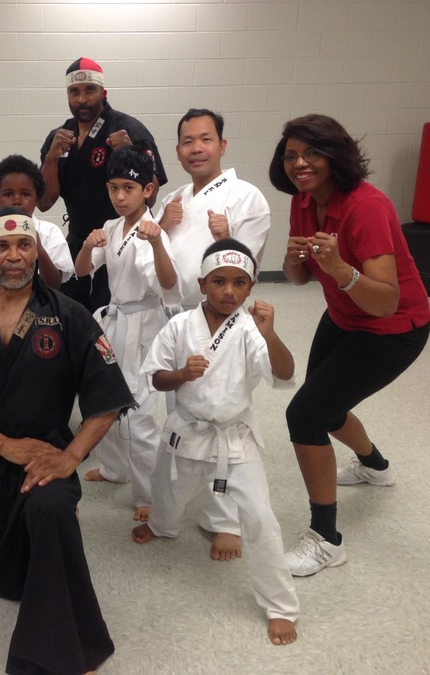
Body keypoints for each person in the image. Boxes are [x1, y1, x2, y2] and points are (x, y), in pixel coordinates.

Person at [0, 207, 135, 675]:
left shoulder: (68, 315)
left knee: (51, 508)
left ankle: (55, 656)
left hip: (47, 456)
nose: (14, 257)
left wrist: (70, 458)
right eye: (2, 246)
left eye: (24, 245)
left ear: (38, 252)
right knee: (1, 574)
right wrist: (5, 446)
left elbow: (109, 398)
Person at [268, 114, 430, 576]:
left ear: (335, 155)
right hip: (343, 317)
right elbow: (298, 278)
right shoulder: (304, 202)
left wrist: (341, 270)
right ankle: (375, 466)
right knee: (327, 409)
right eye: (291, 155)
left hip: (393, 330)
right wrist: (292, 258)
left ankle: (327, 539)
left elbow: (386, 301)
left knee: (305, 414)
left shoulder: (367, 208)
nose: (300, 163)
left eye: (311, 153)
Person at [133, 239, 299, 646]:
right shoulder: (179, 326)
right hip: (186, 429)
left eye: (240, 283)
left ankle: (280, 606)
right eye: (220, 281)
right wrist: (182, 376)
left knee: (260, 517)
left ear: (252, 286)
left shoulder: (249, 330)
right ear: (202, 282)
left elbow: (284, 373)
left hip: (234, 437)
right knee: (168, 492)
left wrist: (271, 334)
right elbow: (156, 377)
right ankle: (161, 525)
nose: (230, 291)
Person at [155, 108, 275, 561]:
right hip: (178, 317)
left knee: (221, 412)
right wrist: (163, 227)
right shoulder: (176, 196)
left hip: (221, 316)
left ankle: (224, 520)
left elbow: (245, 267)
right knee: (184, 411)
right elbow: (160, 258)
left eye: (205, 139)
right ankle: (176, 501)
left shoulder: (247, 197)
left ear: (222, 145)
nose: (196, 148)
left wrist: (230, 234)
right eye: (187, 141)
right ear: (179, 150)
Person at [74, 146, 181, 520]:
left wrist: (156, 243)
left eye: (128, 189)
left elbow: (170, 287)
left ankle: (150, 496)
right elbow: (83, 271)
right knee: (102, 398)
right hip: (115, 321)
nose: (120, 196)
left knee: (138, 415)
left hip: (145, 327)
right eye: (113, 188)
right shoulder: (111, 227)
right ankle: (114, 468)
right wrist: (88, 245)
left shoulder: (152, 234)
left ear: (147, 190)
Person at [40, 57, 168, 311]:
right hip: (79, 241)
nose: (82, 99)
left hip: (122, 240)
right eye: (74, 92)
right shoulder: (60, 137)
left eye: (90, 90)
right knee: (75, 321)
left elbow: (150, 196)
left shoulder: (129, 130)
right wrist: (52, 158)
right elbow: (45, 202)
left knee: (117, 318)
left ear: (103, 92)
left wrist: (131, 152)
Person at [0, 154, 74, 289]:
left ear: (37, 198)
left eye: (25, 194)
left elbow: (54, 284)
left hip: (42, 307)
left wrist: (38, 247)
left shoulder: (50, 232)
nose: (17, 200)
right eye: (8, 194)